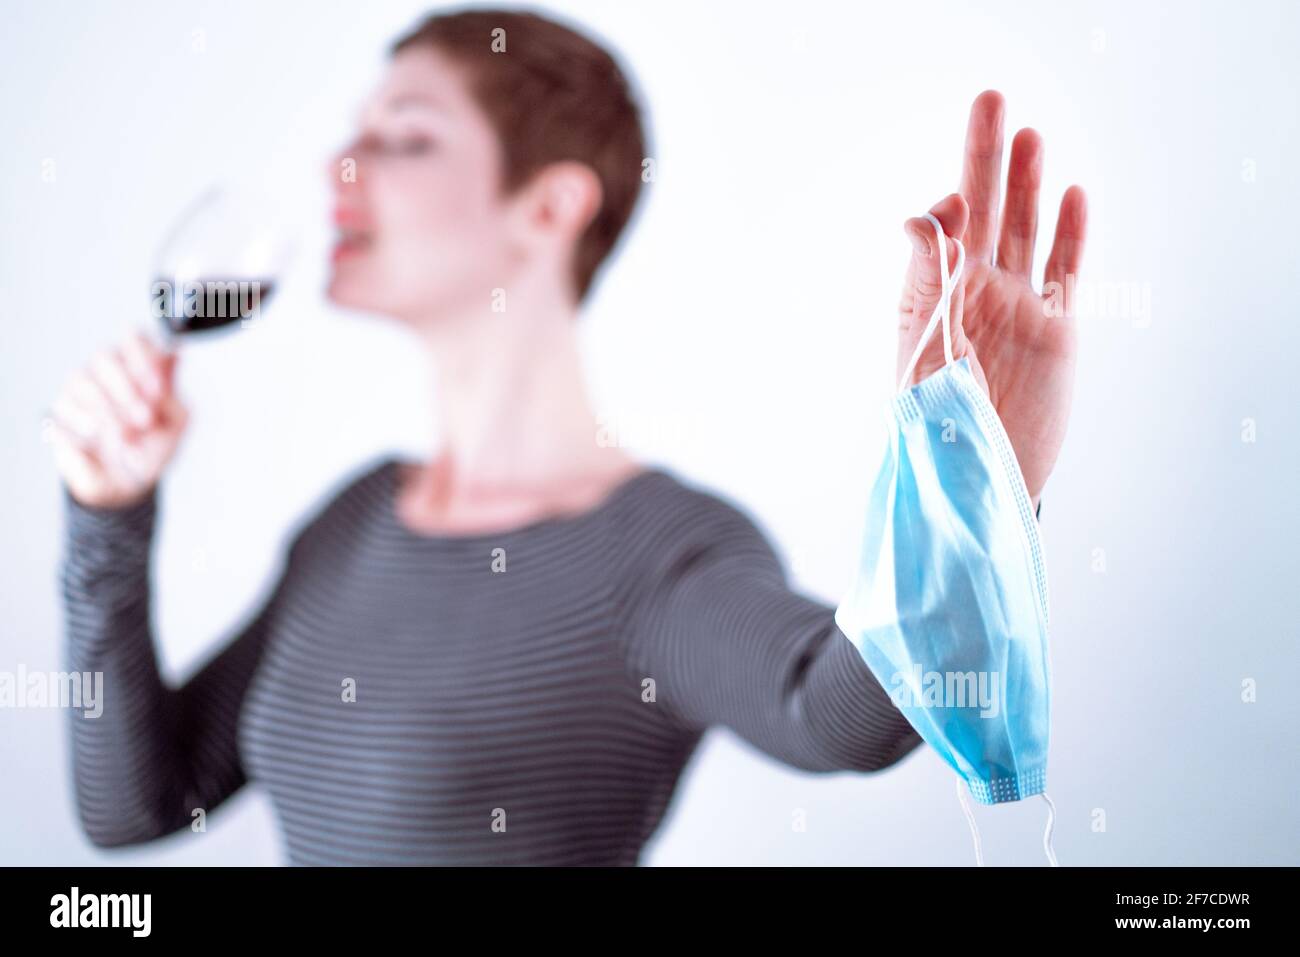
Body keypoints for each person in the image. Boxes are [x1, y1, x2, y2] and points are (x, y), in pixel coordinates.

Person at [49, 9, 1086, 865]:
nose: (340, 168)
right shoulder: (355, 521)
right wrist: (107, 518)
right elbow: (143, 803)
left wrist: (970, 471)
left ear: (548, 205)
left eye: (402, 137)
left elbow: (843, 719)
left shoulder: (659, 556)